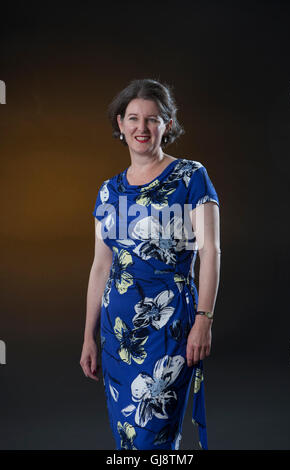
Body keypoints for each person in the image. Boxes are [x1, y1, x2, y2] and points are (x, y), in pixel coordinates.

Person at [79, 78, 221, 450]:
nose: (142, 128)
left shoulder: (191, 176)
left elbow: (211, 252)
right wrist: (87, 337)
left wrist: (204, 320)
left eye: (153, 119)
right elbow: (100, 266)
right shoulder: (108, 191)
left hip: (169, 327)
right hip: (117, 335)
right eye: (133, 119)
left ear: (167, 125)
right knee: (127, 439)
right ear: (120, 125)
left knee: (153, 437)